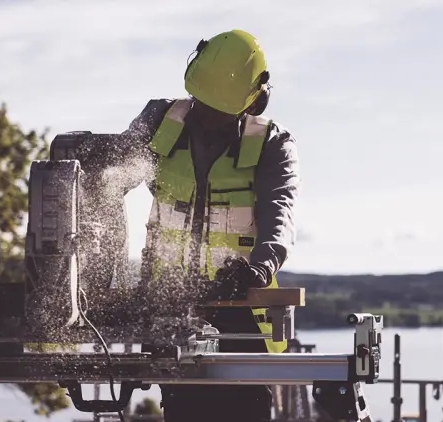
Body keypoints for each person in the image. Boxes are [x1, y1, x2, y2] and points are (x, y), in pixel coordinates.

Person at [93, 29, 300, 422]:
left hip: (244, 313)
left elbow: (280, 214)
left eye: (219, 111)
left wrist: (259, 269)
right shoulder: (159, 121)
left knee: (245, 409)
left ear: (252, 103)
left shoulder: (272, 143)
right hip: (172, 309)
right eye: (203, 106)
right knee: (184, 408)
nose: (207, 118)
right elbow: (110, 183)